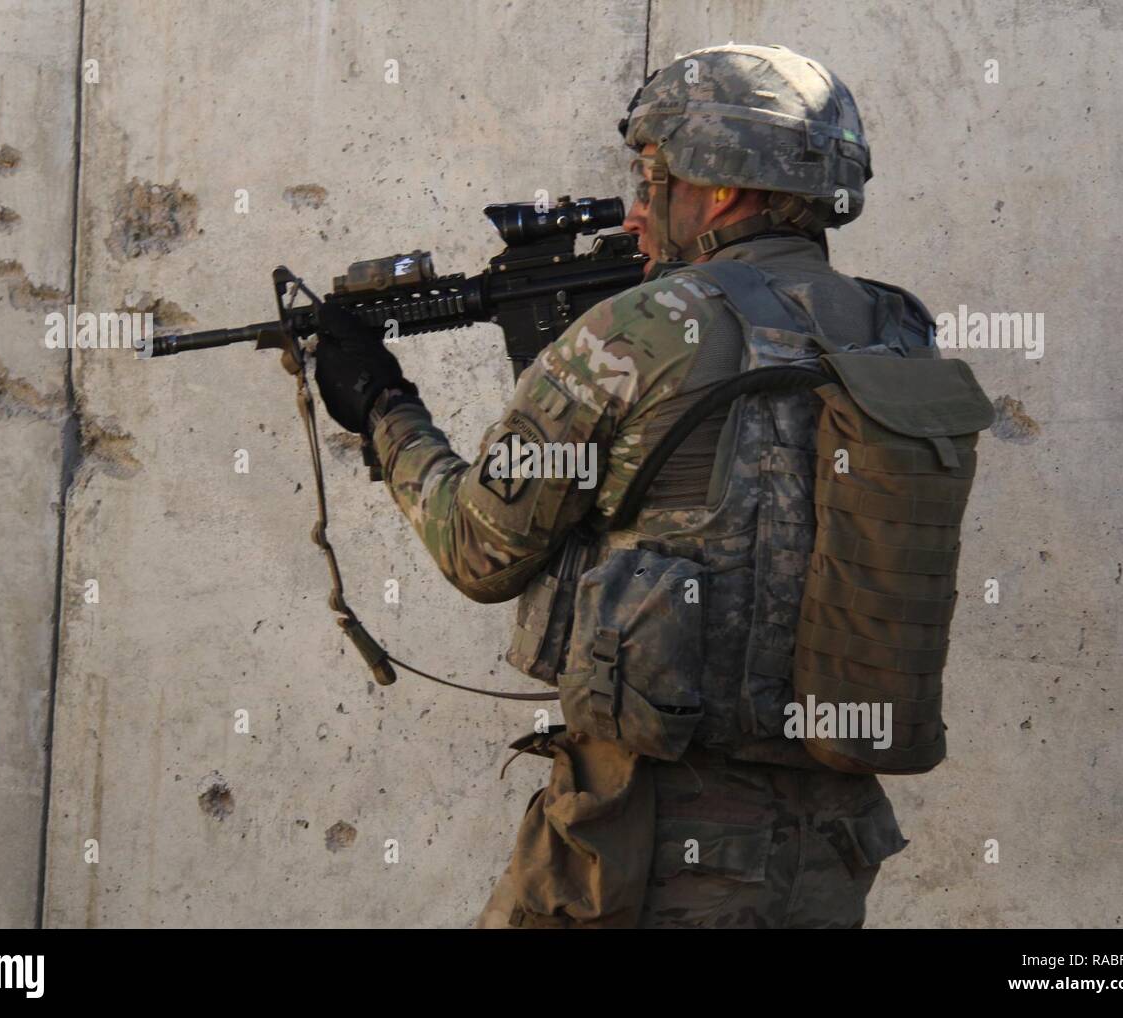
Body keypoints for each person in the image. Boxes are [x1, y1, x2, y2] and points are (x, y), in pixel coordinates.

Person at [314, 44, 925, 928]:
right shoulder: (900, 334)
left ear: (719, 188)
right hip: (830, 844)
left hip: (648, 845)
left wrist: (382, 406)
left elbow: (478, 548)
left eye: (654, 179)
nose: (637, 216)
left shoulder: (640, 330)